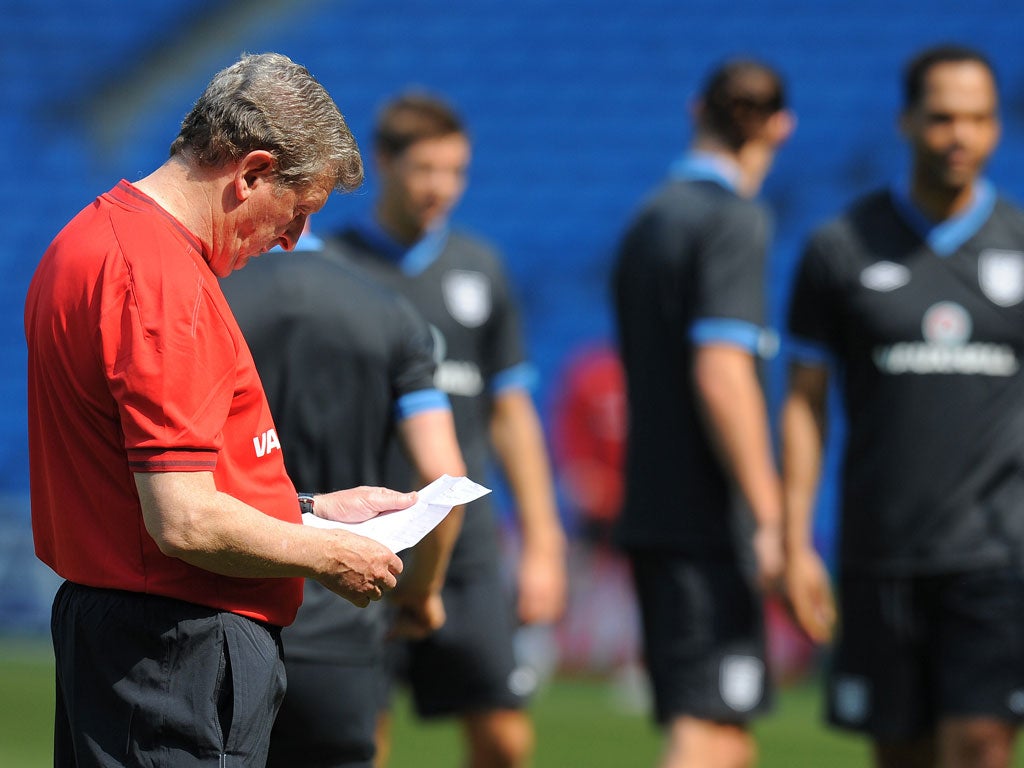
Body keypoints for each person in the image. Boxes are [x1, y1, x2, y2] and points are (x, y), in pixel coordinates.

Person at [23, 52, 417, 767]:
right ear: (252, 173)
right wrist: (327, 555)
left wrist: (312, 508)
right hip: (174, 650)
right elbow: (183, 518)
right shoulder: (160, 281)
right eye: (298, 211)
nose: (294, 240)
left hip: (140, 640)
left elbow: (154, 482)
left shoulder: (94, 238)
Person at [783, 44, 1024, 768]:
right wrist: (795, 542)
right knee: (901, 755)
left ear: (997, 129)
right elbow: (804, 403)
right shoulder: (840, 249)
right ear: (906, 122)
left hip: (999, 552)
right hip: (882, 548)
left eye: (979, 119)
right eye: (944, 118)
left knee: (981, 745)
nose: (961, 136)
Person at [325, 92, 568, 768]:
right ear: (382, 163)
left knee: (503, 735)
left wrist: (545, 542)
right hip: (364, 533)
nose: (442, 187)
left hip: (466, 545)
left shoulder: (480, 270)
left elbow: (513, 413)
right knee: (357, 737)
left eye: (456, 170)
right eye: (426, 168)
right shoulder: (334, 266)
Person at [222, 224, 467, 768]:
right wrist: (420, 591)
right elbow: (443, 479)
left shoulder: (208, 296)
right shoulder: (390, 312)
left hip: (221, 617)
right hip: (340, 625)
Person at [611, 58, 794, 768]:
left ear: (696, 110)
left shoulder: (650, 217)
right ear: (780, 127)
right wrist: (770, 513)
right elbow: (722, 374)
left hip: (654, 506)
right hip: (705, 521)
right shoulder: (734, 220)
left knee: (728, 726)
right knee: (706, 729)